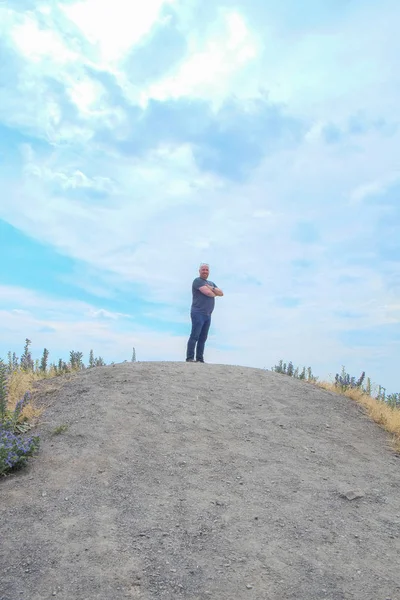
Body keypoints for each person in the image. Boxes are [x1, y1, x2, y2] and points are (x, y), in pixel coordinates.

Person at [186, 263, 224, 363]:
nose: (205, 271)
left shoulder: (211, 283)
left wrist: (211, 288)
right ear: (199, 271)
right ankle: (189, 358)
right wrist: (213, 292)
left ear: (209, 271)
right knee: (195, 335)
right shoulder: (197, 281)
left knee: (203, 337)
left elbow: (221, 293)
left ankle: (200, 359)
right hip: (198, 312)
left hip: (208, 314)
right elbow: (209, 293)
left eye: (206, 270)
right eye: (203, 270)